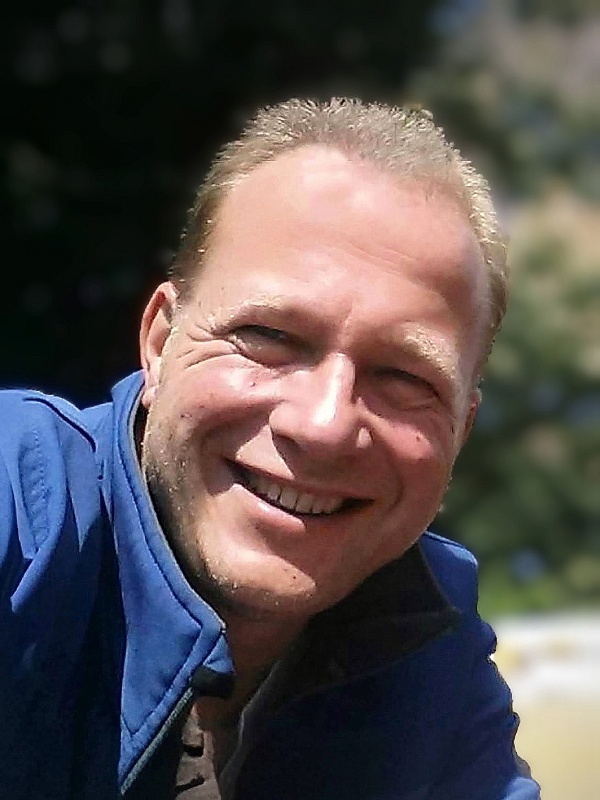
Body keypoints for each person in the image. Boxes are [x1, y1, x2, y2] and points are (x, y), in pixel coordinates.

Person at [0, 98, 540, 800]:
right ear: (160, 343)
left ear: (460, 431)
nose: (324, 425)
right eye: (269, 337)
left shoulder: (426, 642)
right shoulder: (23, 509)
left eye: (405, 377)